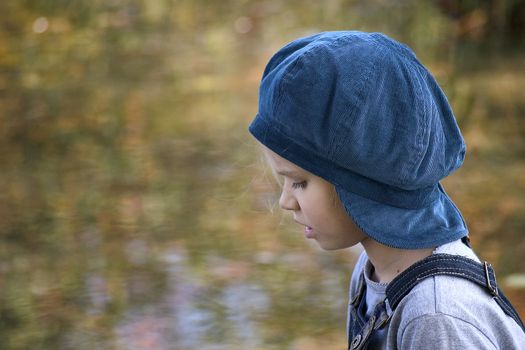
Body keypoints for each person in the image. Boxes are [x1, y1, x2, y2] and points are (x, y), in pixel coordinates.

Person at [248, 31, 525, 349]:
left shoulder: (435, 318)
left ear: (360, 181)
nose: (285, 202)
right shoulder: (372, 271)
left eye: (299, 182)